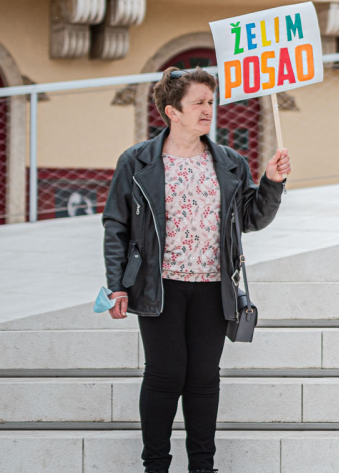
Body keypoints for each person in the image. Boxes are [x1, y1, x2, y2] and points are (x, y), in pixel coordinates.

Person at [102, 67, 289, 473]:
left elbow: (252, 218)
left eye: (210, 102)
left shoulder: (230, 162)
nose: (208, 110)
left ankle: (203, 467)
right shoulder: (137, 161)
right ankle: (156, 466)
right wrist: (117, 285)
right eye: (198, 103)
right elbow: (116, 225)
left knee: (204, 379)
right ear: (172, 111)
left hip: (212, 286)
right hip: (159, 286)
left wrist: (272, 182)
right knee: (165, 376)